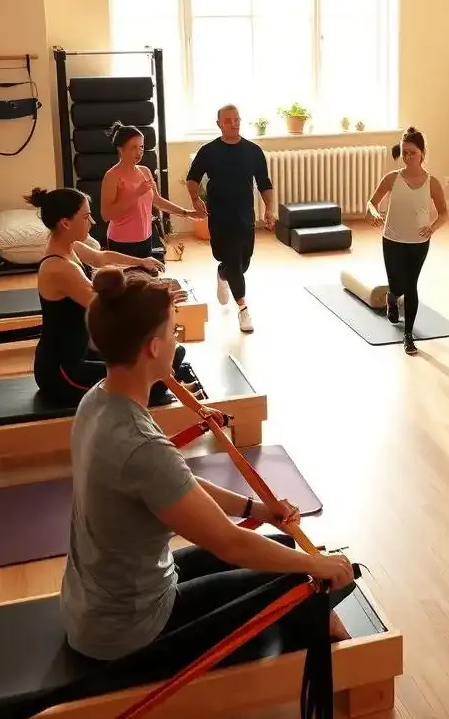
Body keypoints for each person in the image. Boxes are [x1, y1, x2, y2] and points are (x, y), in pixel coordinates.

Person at [60, 266, 356, 682]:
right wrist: (319, 565)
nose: (177, 340)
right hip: (130, 630)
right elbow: (232, 544)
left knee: (287, 544)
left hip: (97, 604)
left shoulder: (99, 400)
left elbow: (176, 482)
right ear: (153, 347)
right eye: (174, 332)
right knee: (306, 576)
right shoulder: (139, 444)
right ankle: (348, 668)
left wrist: (256, 507)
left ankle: (315, 643)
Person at [26, 186, 188, 407]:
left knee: (170, 357)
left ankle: (166, 384)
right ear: (65, 223)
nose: (92, 222)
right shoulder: (59, 268)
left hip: (82, 354)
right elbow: (109, 306)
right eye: (85, 216)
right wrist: (156, 298)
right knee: (149, 373)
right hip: (64, 372)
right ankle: (161, 392)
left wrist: (141, 261)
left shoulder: (70, 247)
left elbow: (101, 257)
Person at [186, 105, 274, 335]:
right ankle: (243, 309)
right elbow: (192, 178)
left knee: (242, 263)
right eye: (228, 120)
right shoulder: (209, 151)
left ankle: (222, 274)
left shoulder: (253, 151)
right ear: (219, 124)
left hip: (245, 216)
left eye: (237, 119)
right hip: (220, 217)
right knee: (234, 260)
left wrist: (269, 209)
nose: (233, 123)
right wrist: (195, 200)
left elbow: (264, 182)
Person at [366, 127, 448, 356]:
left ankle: (408, 335)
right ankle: (392, 298)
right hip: (391, 239)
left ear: (422, 153)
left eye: (412, 152)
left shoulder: (433, 183)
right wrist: (373, 213)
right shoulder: (392, 178)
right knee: (397, 285)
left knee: (411, 285)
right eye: (404, 152)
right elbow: (371, 203)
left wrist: (432, 229)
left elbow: (443, 214)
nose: (408, 157)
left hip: (419, 242)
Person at [100, 122, 199, 260]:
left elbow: (157, 201)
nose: (139, 152)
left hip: (146, 239)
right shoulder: (111, 176)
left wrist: (186, 213)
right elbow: (106, 214)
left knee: (145, 280)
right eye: (133, 147)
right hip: (121, 242)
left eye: (141, 147)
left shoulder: (145, 171)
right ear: (120, 149)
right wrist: (135, 194)